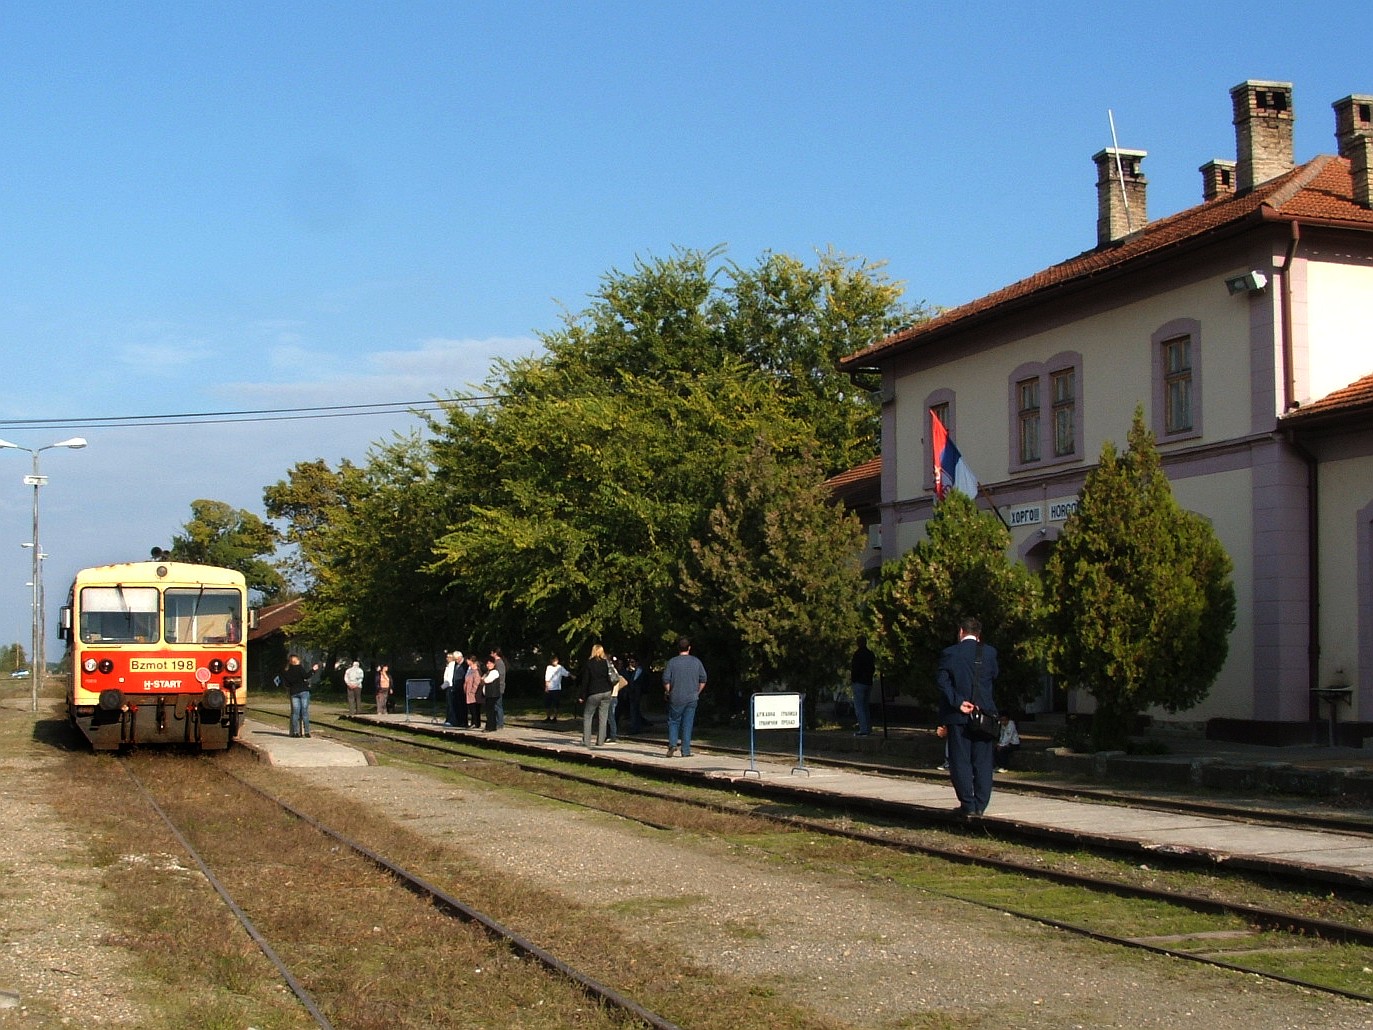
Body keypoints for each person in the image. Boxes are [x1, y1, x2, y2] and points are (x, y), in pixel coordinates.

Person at [936, 617, 999, 817]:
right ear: (978, 634)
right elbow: (993, 676)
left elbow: (942, 682)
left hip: (959, 716)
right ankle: (981, 804)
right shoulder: (989, 653)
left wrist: (958, 702)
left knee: (960, 760)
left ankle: (968, 804)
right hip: (984, 715)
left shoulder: (950, 653)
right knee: (983, 761)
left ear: (961, 631)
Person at [662, 636, 707, 758]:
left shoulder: (672, 662)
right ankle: (686, 750)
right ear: (689, 648)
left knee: (673, 721)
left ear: (678, 648)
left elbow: (666, 680)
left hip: (676, 696)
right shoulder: (696, 662)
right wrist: (697, 692)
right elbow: (703, 679)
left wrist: (669, 691)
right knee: (688, 723)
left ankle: (672, 744)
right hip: (692, 697)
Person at [579, 644, 616, 748]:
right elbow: (610, 677)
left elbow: (585, 681)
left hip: (594, 692)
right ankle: (600, 741)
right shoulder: (605, 663)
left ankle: (586, 741)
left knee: (588, 716)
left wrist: (582, 695)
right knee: (603, 717)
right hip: (607, 691)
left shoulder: (589, 664)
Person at [283, 654, 319, 737]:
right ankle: (306, 732)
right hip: (303, 691)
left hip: (294, 692)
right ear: (296, 661)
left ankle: (295, 732)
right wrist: (313, 670)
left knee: (295, 713)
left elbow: (287, 684)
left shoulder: (287, 671)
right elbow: (306, 676)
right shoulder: (299, 667)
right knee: (304, 712)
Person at [850, 637, 876, 737]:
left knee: (859, 707)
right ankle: (868, 729)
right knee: (865, 706)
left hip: (859, 683)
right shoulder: (870, 654)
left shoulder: (858, 654)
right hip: (868, 682)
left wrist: (854, 679)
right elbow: (872, 668)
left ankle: (863, 730)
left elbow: (855, 669)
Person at [624, 655, 650, 732]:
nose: (631, 664)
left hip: (637, 694)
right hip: (633, 694)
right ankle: (635, 727)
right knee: (634, 711)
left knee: (635, 711)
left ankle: (635, 727)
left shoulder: (640, 671)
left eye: (632, 662)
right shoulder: (633, 671)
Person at [543, 656, 570, 722]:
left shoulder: (560, 668)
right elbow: (547, 677)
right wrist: (546, 687)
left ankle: (555, 717)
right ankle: (548, 717)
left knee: (556, 704)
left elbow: (566, 673)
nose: (554, 662)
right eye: (553, 661)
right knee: (547, 704)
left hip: (557, 688)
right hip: (550, 687)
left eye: (555, 660)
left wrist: (572, 676)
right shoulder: (549, 667)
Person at [442, 650, 464, 727]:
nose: (447, 658)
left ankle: (452, 720)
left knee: (451, 705)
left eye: (449, 657)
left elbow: (450, 677)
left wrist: (443, 686)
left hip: (450, 686)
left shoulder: (452, 665)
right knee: (449, 704)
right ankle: (449, 719)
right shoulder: (449, 665)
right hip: (449, 686)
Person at [481, 656, 502, 731]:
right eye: (487, 663)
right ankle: (491, 726)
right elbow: (482, 679)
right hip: (488, 694)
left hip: (492, 694)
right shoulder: (487, 672)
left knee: (490, 711)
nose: (488, 665)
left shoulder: (494, 672)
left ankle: (490, 726)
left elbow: (487, 680)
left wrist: (483, 680)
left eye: (490, 663)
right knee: (489, 710)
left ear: (493, 664)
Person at [463, 654, 483, 728]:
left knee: (474, 708)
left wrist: (473, 691)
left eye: (468, 660)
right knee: (472, 708)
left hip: (474, 693)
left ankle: (475, 723)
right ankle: (474, 722)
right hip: (469, 692)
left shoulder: (476, 670)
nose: (467, 662)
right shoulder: (470, 670)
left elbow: (476, 682)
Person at [490, 647, 507, 729]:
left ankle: (500, 723)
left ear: (495, 653)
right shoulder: (496, 662)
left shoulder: (499, 663)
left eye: (492, 652)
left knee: (498, 705)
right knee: (495, 705)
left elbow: (500, 676)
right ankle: (496, 722)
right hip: (495, 687)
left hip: (498, 687)